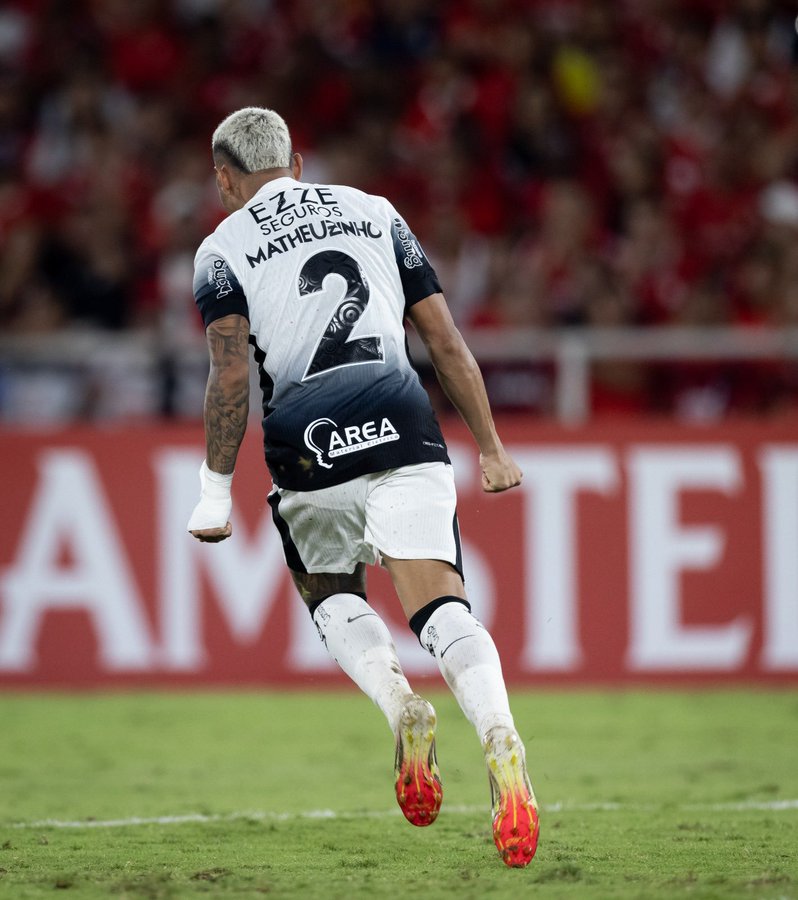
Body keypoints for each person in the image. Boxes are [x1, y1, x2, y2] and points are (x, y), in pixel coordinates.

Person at [187, 107, 539, 868]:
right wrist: (491, 447)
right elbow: (443, 338)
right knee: (440, 606)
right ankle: (500, 734)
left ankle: (401, 706)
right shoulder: (376, 212)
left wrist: (215, 490)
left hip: (308, 440)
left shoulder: (220, 250)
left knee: (332, 591)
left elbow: (231, 373)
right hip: (401, 414)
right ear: (298, 160)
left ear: (224, 178)